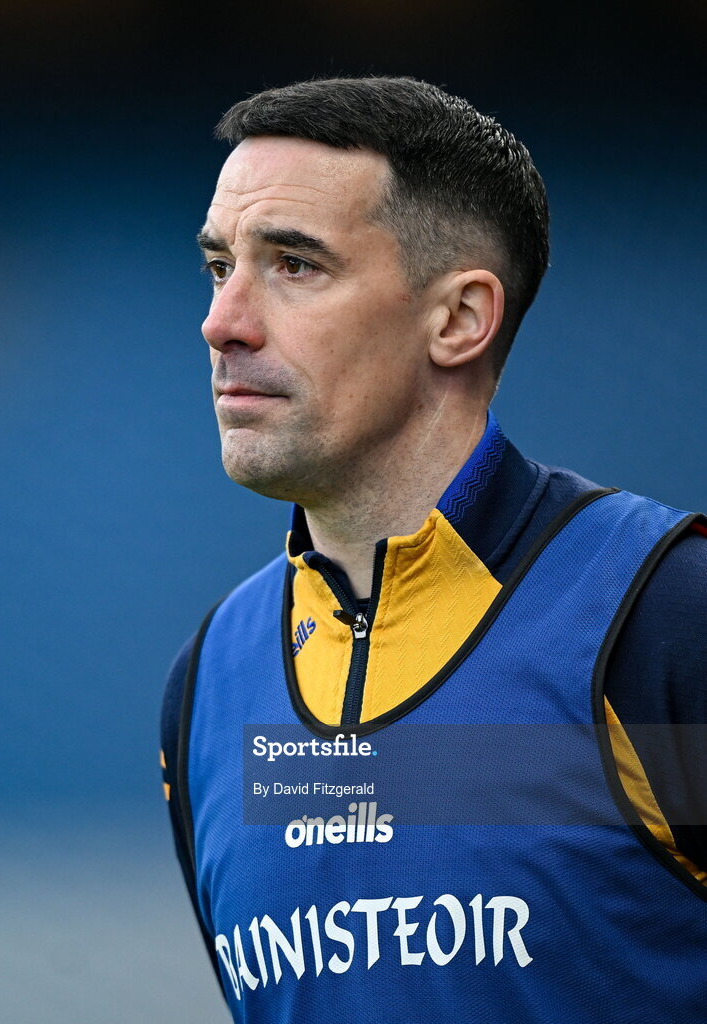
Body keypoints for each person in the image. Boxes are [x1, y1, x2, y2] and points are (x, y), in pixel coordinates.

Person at [160, 77, 707, 1022]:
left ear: (457, 319)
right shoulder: (208, 686)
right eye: (219, 267)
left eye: (293, 265)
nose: (223, 323)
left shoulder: (663, 617)